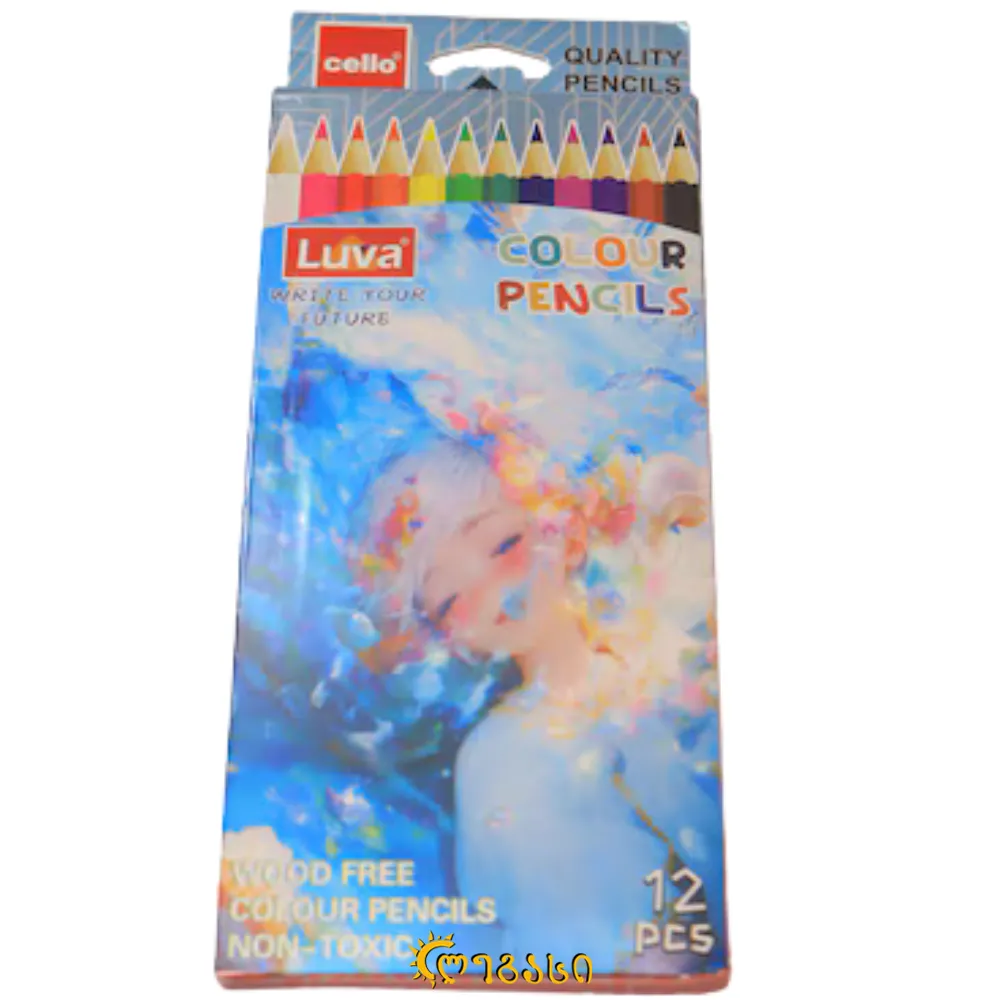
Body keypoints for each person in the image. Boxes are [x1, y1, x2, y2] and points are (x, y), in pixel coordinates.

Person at [360, 435, 725, 971]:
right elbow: (546, 934)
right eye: (453, 599)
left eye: (504, 546)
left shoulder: (667, 666)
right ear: (445, 635)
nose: (490, 592)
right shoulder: (499, 757)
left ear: (566, 534)